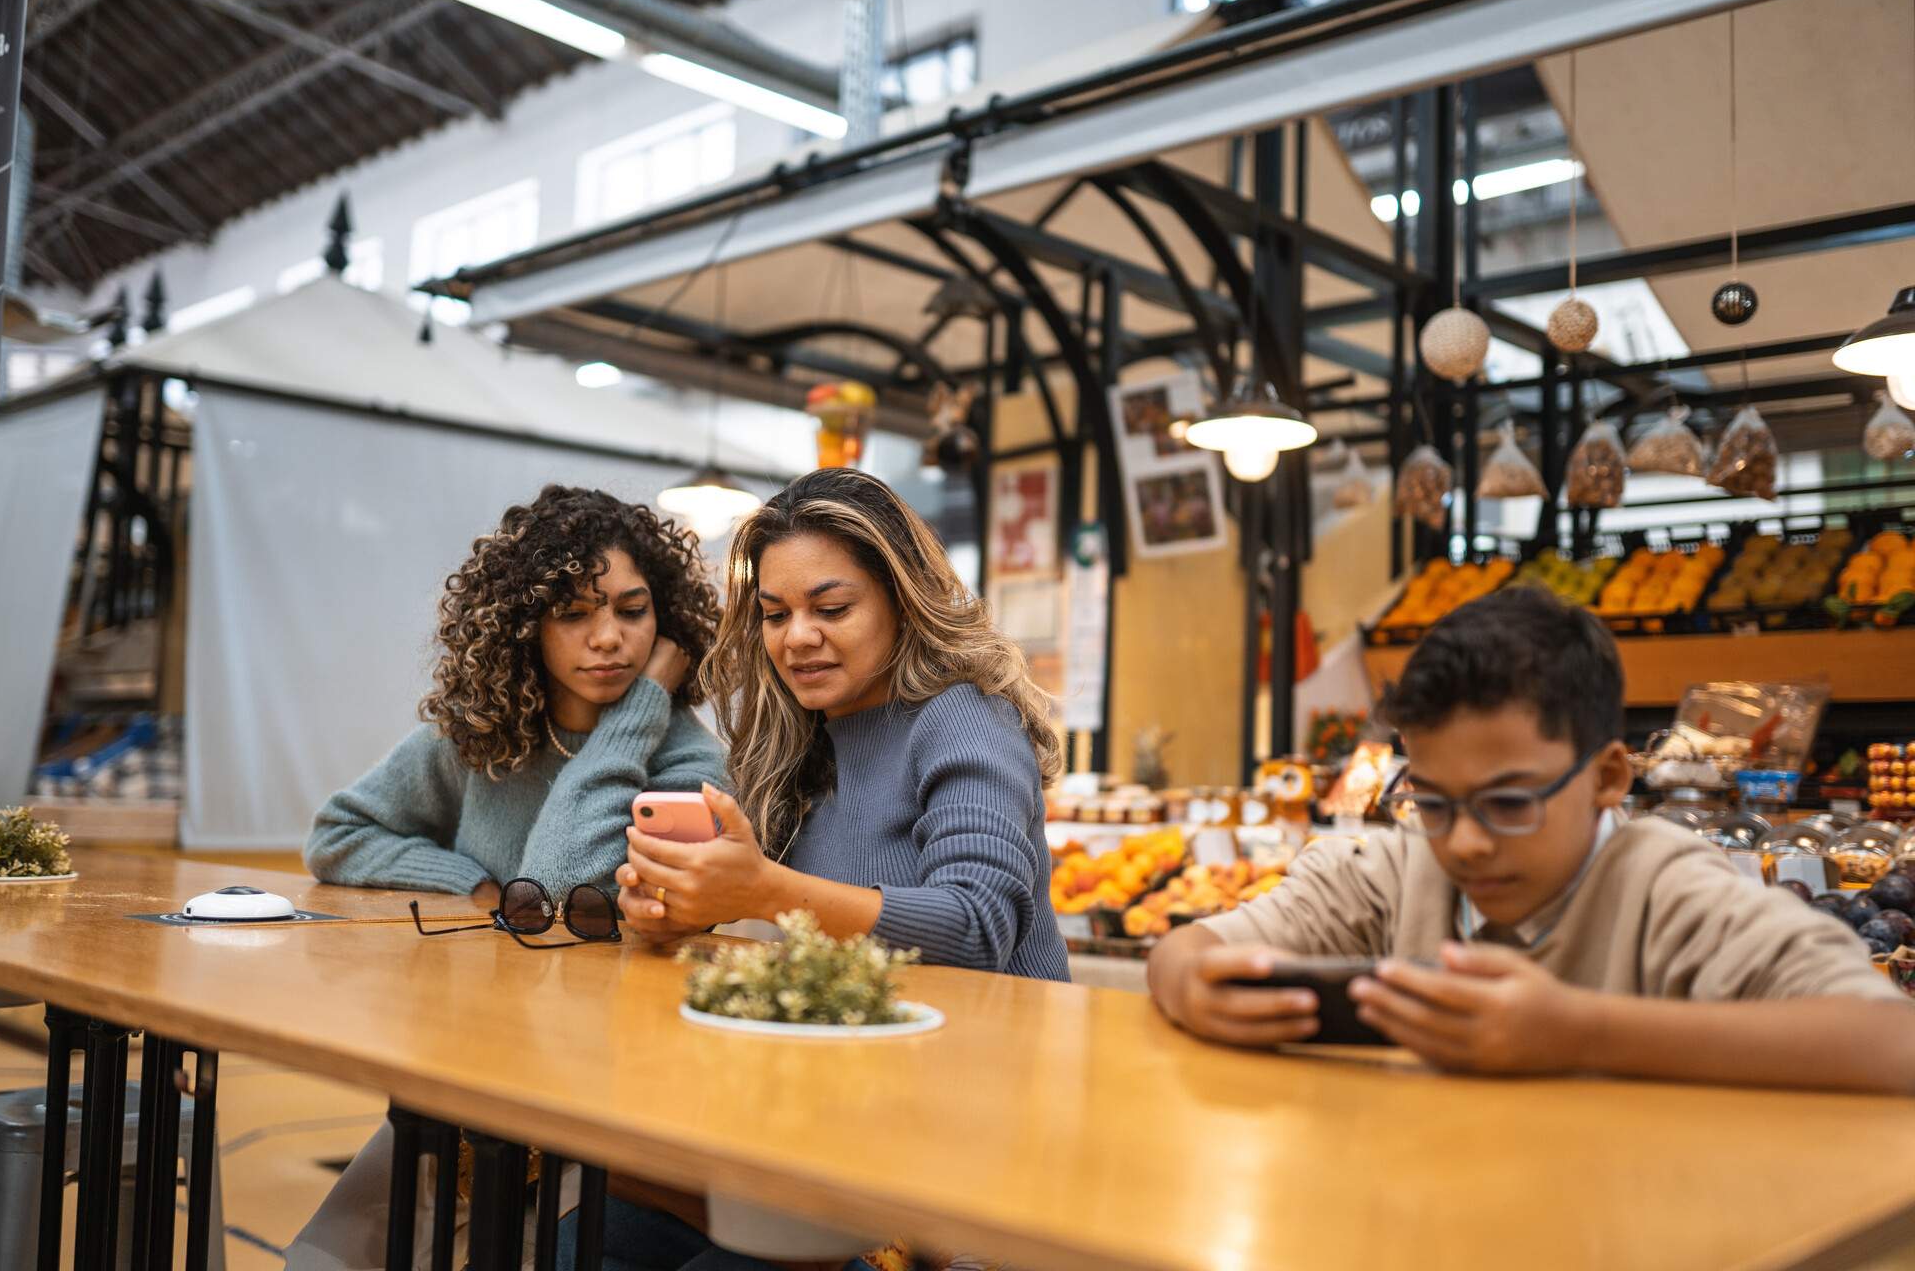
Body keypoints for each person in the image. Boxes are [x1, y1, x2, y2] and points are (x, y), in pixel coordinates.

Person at [561, 468, 1068, 1271]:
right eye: (774, 614)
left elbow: (976, 929)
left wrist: (762, 890)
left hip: (966, 1169)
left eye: (831, 609)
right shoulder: (801, 746)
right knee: (584, 1229)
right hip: (837, 1133)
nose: (797, 636)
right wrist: (685, 911)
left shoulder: (963, 717)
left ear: (904, 601)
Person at [1148, 585, 1915, 1093]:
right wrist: (1192, 990)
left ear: (1609, 776)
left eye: (1508, 802)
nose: (1468, 844)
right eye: (1434, 802)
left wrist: (1578, 1034)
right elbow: (1183, 951)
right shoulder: (1385, 869)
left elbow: (1891, 1044)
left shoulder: (1668, 887)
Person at [304, 484, 729, 905]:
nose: (608, 638)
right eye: (573, 614)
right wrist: (470, 883)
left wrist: (636, 715)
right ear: (525, 626)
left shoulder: (692, 765)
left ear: (664, 617)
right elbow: (337, 835)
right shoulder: (485, 730)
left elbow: (552, 892)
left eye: (633, 611)